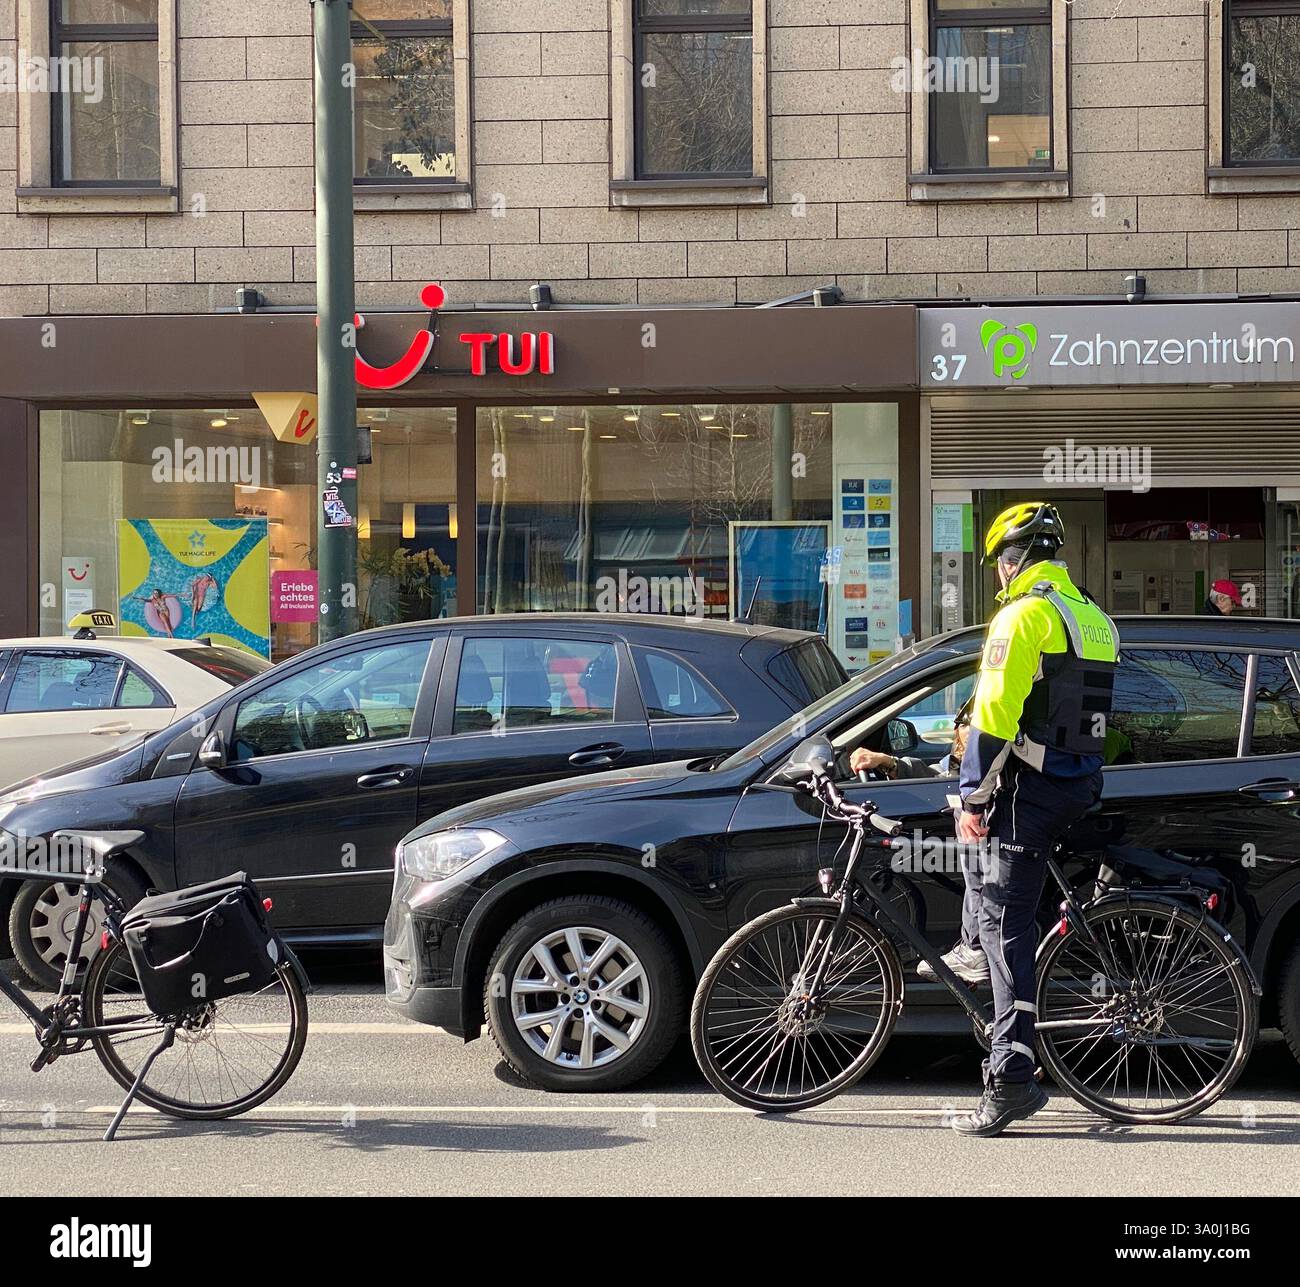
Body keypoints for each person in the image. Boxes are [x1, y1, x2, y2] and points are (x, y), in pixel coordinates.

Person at [946, 501, 1120, 1137]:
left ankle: (1011, 1079)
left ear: (1013, 560)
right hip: (1078, 784)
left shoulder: (1022, 616)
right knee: (1010, 913)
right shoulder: (1094, 618)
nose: (998, 575)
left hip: (1033, 791)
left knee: (1005, 927)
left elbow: (996, 714)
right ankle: (974, 952)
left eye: (999, 563)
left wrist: (971, 796)